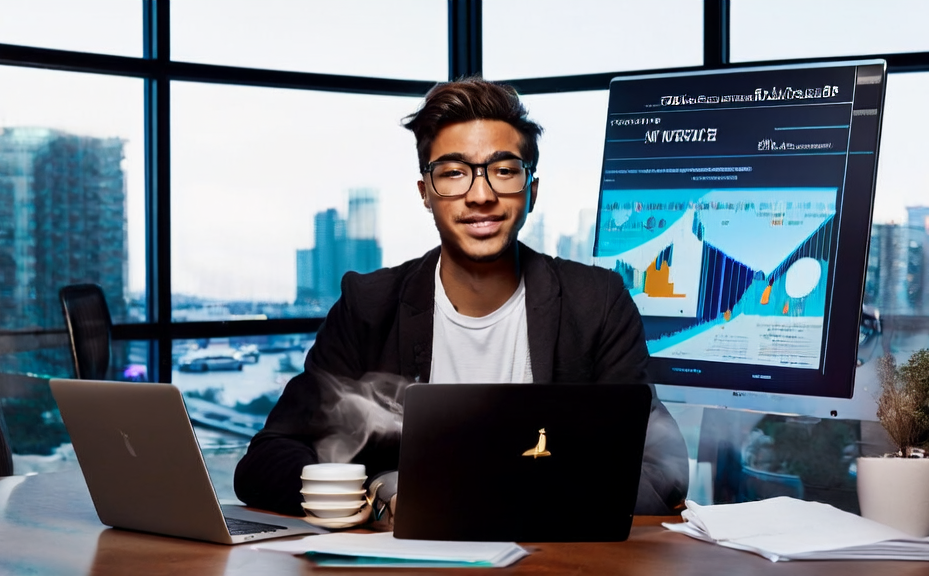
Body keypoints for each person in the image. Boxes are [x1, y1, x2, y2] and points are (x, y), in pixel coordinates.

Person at [234, 76, 689, 522]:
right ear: (426, 193)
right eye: (453, 173)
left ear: (531, 190)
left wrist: (485, 497)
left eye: (504, 170)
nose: (481, 194)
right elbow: (266, 460)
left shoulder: (596, 303)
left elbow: (658, 471)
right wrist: (377, 494)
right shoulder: (368, 305)